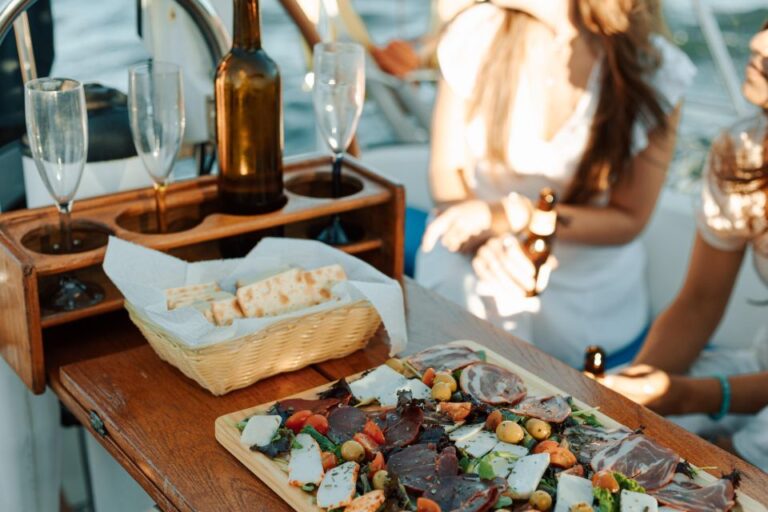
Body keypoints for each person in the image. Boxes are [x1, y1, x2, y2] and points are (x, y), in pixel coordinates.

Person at [415, 0, 695, 367]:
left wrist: (510, 216)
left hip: (584, 298)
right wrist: (485, 240)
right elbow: (446, 170)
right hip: (474, 250)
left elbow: (629, 218)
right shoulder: (473, 33)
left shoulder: (656, 71)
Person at [605, 27, 768, 472]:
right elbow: (699, 302)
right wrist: (632, 399)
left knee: (735, 467)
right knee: (612, 435)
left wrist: (687, 396)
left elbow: (693, 394)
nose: (757, 44)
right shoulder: (744, 152)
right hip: (760, 362)